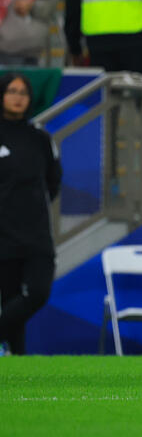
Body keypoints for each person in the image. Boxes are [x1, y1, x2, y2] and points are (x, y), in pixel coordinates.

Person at [0, 73, 61, 355]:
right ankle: (17, 368)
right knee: (11, 300)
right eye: (12, 91)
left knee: (37, 293)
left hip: (36, 234)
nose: (18, 97)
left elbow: (53, 181)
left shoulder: (41, 138)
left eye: (23, 92)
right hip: (4, 235)